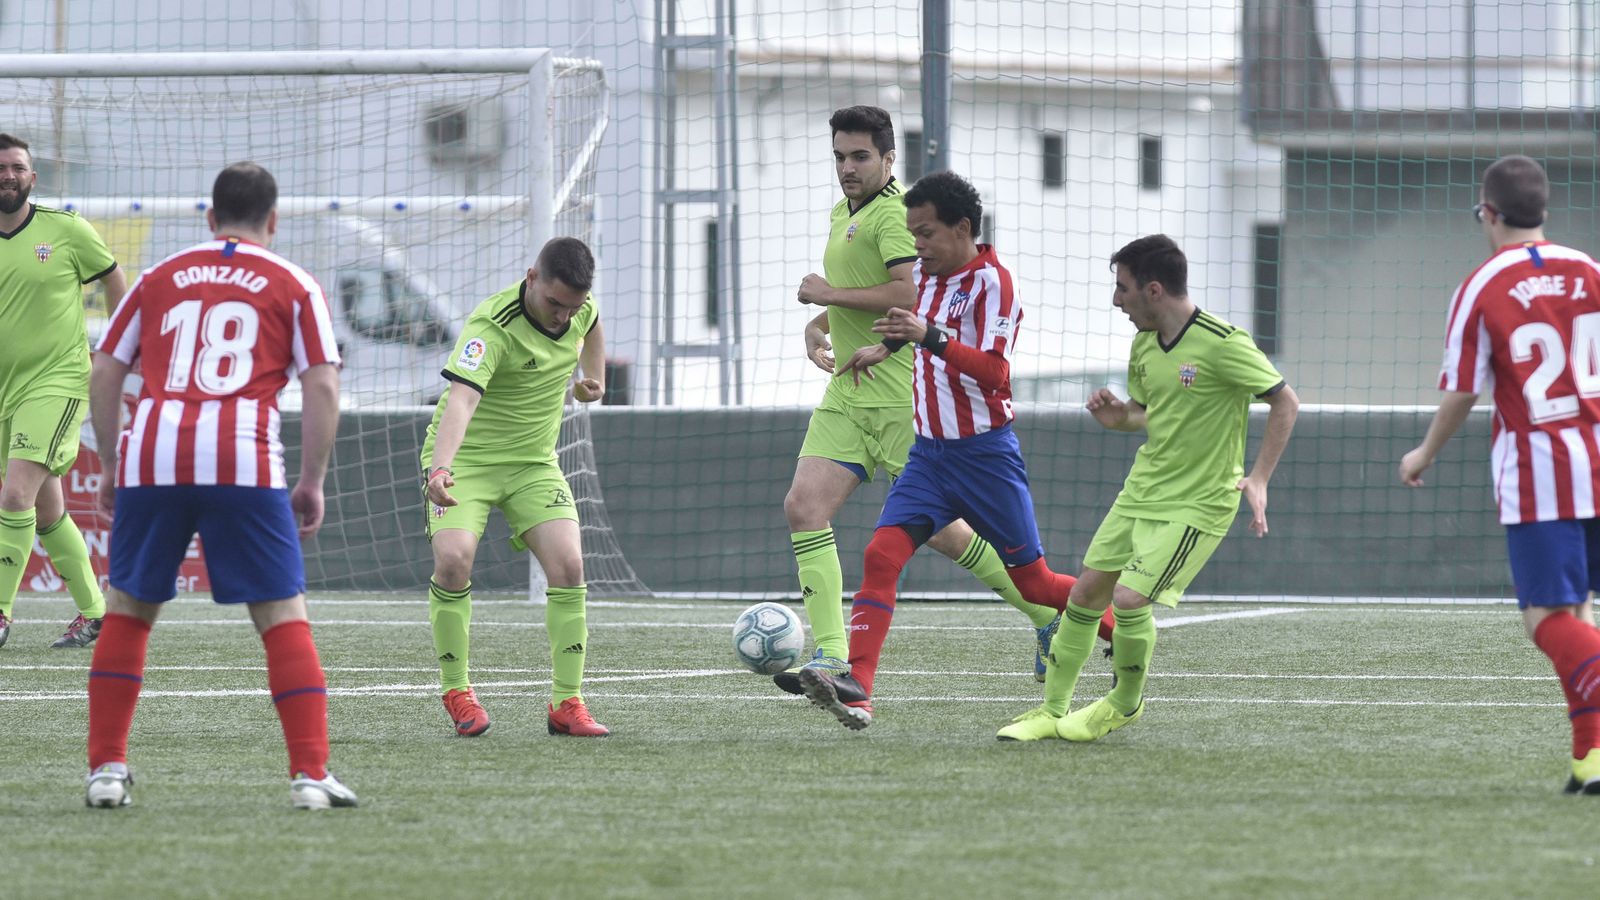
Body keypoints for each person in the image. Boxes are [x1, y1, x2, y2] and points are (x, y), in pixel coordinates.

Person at [780, 106, 1081, 698]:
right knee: (803, 507)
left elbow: (909, 293)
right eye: (840, 155)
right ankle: (835, 656)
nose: (848, 166)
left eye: (861, 155)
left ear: (889, 158)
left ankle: (1049, 615)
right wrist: (822, 319)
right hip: (848, 390)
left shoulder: (897, 215)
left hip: (900, 399)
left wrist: (827, 293)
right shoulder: (845, 212)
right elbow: (882, 296)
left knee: (946, 533)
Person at [85, 162, 355, 809]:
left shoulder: (158, 277)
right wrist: (312, 480)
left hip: (153, 451)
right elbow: (321, 384)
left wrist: (114, 463)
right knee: (281, 614)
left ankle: (106, 773)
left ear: (209, 218)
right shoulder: (292, 282)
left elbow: (105, 368)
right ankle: (310, 776)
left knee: (128, 607)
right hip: (242, 457)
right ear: (273, 219)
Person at [997, 233, 1299, 743]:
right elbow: (1146, 415)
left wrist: (1260, 477)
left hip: (1198, 501)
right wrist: (1120, 419)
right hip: (1141, 490)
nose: (1117, 301)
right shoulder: (1144, 342)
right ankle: (1052, 710)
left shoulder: (1224, 344)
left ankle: (1124, 703)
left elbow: (1285, 401)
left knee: (1131, 599)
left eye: (1123, 289)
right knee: (1086, 595)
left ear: (1154, 289)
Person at [1400, 154, 1600, 794]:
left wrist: (1423, 453)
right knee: (1578, 612)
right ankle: (1589, 761)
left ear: (1487, 213)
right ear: (1542, 211)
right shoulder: (1591, 271)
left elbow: (1462, 391)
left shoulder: (1482, 286)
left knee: (1545, 619)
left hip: (1542, 472)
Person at [423, 236, 610, 739]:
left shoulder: (579, 308)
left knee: (570, 565)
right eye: (554, 304)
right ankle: (456, 690)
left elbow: (591, 325)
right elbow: (460, 401)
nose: (561, 318)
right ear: (531, 278)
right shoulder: (491, 327)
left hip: (532, 465)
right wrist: (439, 470)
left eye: (571, 307)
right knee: (454, 560)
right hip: (467, 462)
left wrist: (595, 379)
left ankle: (567, 704)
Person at [0, 132, 128, 650]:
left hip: (56, 380)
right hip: (4, 390)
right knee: (46, 510)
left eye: (16, 167)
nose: (7, 175)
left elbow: (116, 280)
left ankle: (1, 614)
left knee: (12, 495)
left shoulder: (67, 229)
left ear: (33, 176)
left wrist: (115, 350)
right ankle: (97, 614)